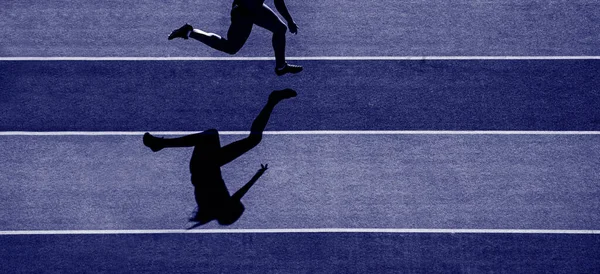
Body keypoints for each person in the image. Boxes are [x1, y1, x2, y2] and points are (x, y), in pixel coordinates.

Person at [143, 88, 297, 227]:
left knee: (213, 135)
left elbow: (237, 194)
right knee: (251, 140)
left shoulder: (211, 203)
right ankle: (272, 101)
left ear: (228, 209)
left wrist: (257, 176)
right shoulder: (217, 205)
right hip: (211, 164)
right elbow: (240, 193)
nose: (236, 200)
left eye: (235, 205)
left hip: (204, 166)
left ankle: (161, 144)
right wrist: (257, 175)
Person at [168, 0, 303, 76]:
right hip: (244, 13)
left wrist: (289, 21)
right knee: (230, 48)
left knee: (280, 28)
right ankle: (189, 32)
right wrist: (290, 21)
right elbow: (278, 1)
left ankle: (281, 67)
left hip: (252, 8)